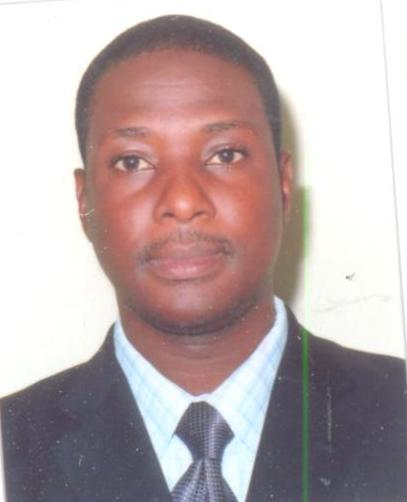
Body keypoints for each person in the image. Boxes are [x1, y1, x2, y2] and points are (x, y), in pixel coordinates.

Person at [1, 14, 405, 502]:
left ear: (282, 186)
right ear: (85, 203)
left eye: (224, 155)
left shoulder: (396, 410)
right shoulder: (12, 442)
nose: (183, 200)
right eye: (133, 161)